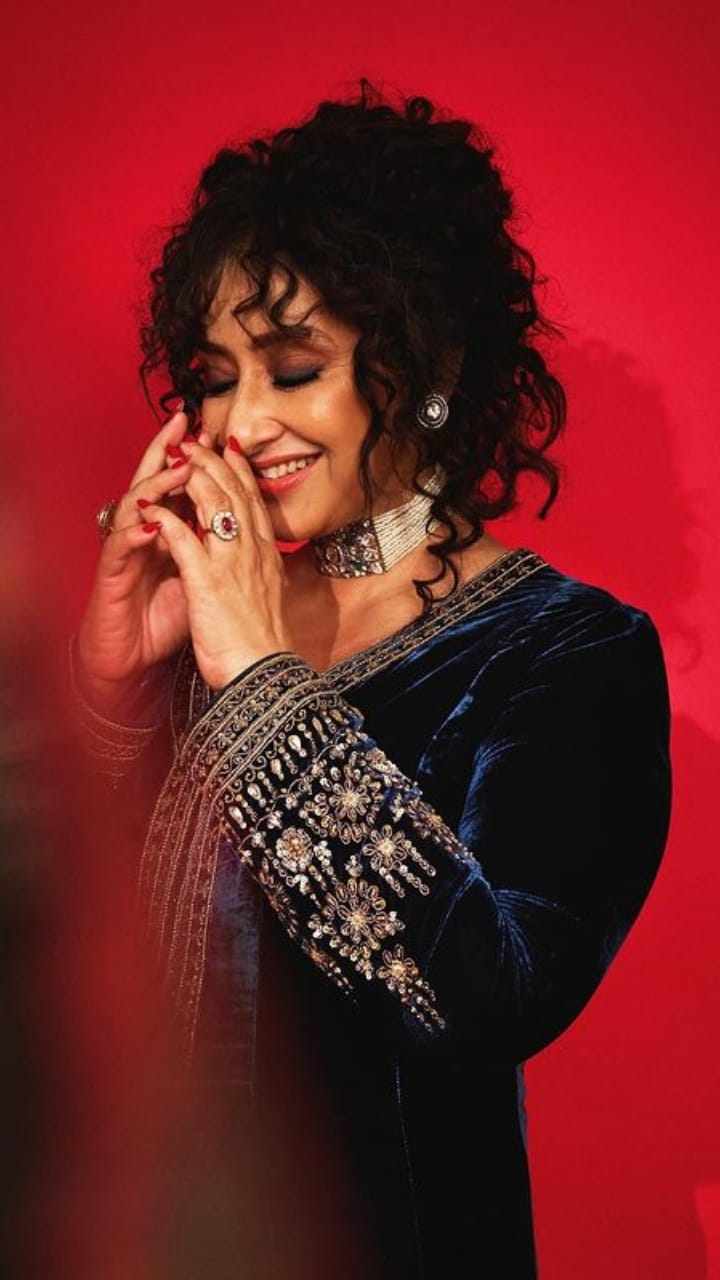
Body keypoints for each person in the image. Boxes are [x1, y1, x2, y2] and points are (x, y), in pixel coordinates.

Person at [71, 81, 672, 1278]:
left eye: (294, 369)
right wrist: (101, 691)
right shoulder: (195, 611)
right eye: (214, 376)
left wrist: (257, 677)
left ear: (423, 365)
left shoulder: (567, 652)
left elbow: (487, 998)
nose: (240, 424)